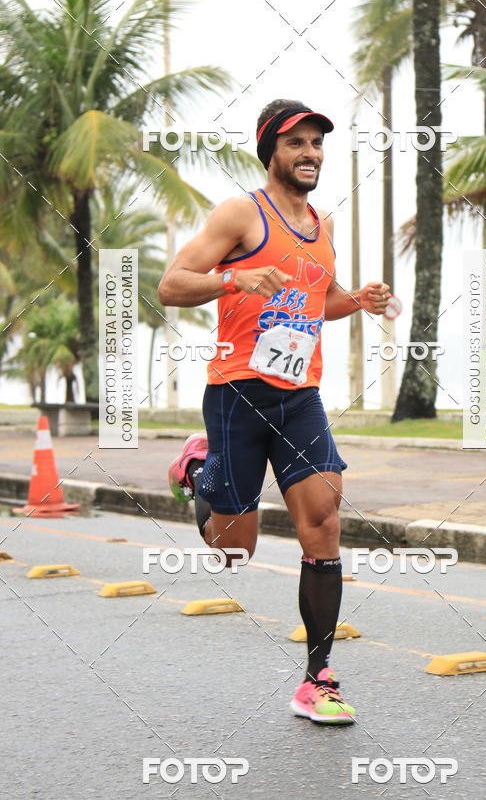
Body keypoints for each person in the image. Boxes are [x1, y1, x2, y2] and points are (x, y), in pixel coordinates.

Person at [159, 99, 390, 725]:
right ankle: (198, 465)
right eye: (297, 144)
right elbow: (171, 285)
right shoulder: (241, 213)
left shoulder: (324, 226)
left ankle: (318, 679)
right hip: (236, 393)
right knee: (236, 549)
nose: (310, 153)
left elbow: (317, 303)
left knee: (324, 520)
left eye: (317, 143)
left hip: (300, 398)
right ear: (272, 152)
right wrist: (236, 280)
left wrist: (358, 301)